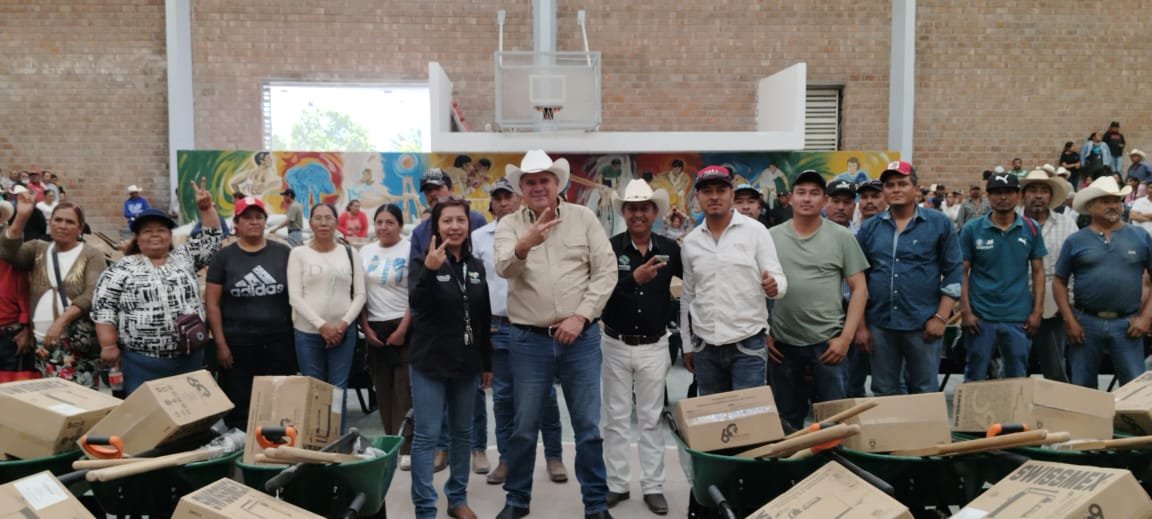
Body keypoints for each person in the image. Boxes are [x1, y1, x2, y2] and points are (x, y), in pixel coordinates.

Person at [493, 150, 617, 519]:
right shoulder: (509, 225)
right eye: (529, 182)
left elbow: (606, 271)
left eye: (543, 180)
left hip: (580, 338)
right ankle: (517, 501)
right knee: (523, 427)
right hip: (528, 340)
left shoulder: (584, 218)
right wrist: (525, 243)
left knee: (588, 428)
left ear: (557, 184)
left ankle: (596, 505)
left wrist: (581, 316)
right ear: (521, 188)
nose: (537, 187)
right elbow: (503, 268)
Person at [472, 179, 569, 485]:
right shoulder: (478, 237)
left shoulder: (541, 228)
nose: (503, 202)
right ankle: (507, 459)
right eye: (497, 198)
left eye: (508, 196)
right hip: (498, 325)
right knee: (503, 398)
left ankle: (554, 456)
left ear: (520, 199)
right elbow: (477, 287)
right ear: (491, 203)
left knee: (545, 396)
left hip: (534, 326)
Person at [91, 181, 222, 394]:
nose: (154, 234)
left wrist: (206, 208)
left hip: (189, 359)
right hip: (140, 363)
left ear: (170, 236)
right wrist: (108, 346)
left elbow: (211, 240)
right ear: (137, 238)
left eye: (161, 230)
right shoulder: (121, 268)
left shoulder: (184, 258)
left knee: (190, 408)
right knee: (146, 412)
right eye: (147, 231)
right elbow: (104, 309)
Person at [408, 197, 493, 519]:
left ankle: (457, 498)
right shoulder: (423, 262)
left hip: (466, 363)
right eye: (447, 221)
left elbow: (482, 318)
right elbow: (416, 304)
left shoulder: (476, 266)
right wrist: (430, 272)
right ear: (436, 226)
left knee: (463, 434)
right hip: (429, 362)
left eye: (460, 220)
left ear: (468, 225)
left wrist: (487, 364)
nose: (454, 226)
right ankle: (425, 508)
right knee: (427, 436)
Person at [599, 180, 679, 515]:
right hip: (615, 344)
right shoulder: (609, 248)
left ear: (654, 212)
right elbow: (600, 291)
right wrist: (634, 279)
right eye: (632, 208)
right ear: (624, 212)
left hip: (655, 345)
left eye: (644, 208)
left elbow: (689, 289)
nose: (638, 214)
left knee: (650, 418)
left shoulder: (670, 249)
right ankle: (617, 484)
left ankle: (653, 486)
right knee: (615, 418)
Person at [768, 171, 868, 430]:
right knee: (785, 422)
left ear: (824, 201)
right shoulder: (771, 237)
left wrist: (845, 339)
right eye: (801, 192)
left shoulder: (841, 237)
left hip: (828, 344)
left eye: (814, 193)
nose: (807, 199)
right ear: (790, 198)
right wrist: (764, 333)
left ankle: (832, 458)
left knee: (832, 422)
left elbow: (859, 289)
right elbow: (755, 287)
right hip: (783, 345)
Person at [856, 161, 962, 395]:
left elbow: (954, 271)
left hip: (923, 324)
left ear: (915, 188)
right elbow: (858, 278)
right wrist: (861, 326)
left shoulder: (938, 223)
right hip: (881, 324)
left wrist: (941, 317)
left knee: (924, 390)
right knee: (884, 389)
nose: (896, 189)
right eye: (890, 185)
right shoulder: (870, 228)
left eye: (902, 184)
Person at [680, 165, 787, 396]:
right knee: (713, 414)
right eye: (707, 191)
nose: (714, 196)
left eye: (721, 190)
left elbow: (778, 278)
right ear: (697, 196)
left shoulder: (756, 231)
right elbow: (687, 296)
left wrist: (774, 287)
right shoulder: (691, 242)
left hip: (747, 342)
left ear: (731, 194)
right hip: (705, 346)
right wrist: (687, 346)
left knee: (748, 414)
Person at [204, 196, 296, 429]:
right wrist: (220, 344)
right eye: (247, 218)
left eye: (259, 217)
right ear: (236, 224)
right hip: (238, 346)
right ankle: (242, 443)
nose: (254, 222)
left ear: (265, 221)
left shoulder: (283, 253)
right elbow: (212, 304)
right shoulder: (224, 258)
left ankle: (277, 445)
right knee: (241, 405)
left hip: (279, 343)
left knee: (279, 401)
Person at [1054, 176, 1152, 388]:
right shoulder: (1076, 240)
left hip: (1128, 324)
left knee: (1133, 388)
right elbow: (1059, 281)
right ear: (1090, 206)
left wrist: (1146, 317)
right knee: (1083, 389)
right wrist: (1069, 320)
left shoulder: (1140, 237)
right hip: (1085, 323)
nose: (1113, 206)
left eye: (1116, 200)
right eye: (1105, 201)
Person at [2, 196, 106, 387]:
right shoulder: (37, 249)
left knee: (79, 397)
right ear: (50, 223)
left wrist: (60, 322)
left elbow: (92, 293)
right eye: (58, 220)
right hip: (42, 345)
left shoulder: (92, 254)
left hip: (75, 344)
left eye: (70, 222)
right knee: (47, 397)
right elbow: (8, 252)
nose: (62, 226)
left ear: (80, 227)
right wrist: (21, 217)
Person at [958, 173, 1046, 381]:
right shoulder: (972, 229)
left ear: (1018, 196)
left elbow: (1038, 271)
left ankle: (1014, 407)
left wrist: (1037, 311)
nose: (1003, 197)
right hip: (980, 317)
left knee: (1016, 377)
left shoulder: (1031, 228)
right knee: (975, 376)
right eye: (997, 193)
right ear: (988, 196)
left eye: (1008, 192)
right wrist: (966, 312)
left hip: (1017, 316)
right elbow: (962, 272)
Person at [287, 203, 366, 424]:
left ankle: (337, 438)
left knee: (338, 389)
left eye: (328, 218)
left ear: (336, 222)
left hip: (344, 333)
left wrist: (342, 325)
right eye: (318, 218)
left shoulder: (350, 253)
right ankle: (316, 438)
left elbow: (360, 294)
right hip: (308, 333)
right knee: (315, 388)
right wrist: (321, 326)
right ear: (310, 223)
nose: (323, 223)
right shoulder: (298, 254)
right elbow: (295, 297)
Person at [1020, 171, 1075, 382]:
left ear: (1051, 197)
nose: (1038, 195)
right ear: (1023, 195)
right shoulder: (1011, 221)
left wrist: (1068, 302)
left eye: (1044, 191)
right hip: (1015, 300)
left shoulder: (1066, 224)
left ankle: (1057, 404)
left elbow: (1075, 266)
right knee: (1014, 365)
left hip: (1055, 303)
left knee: (1055, 366)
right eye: (1033, 190)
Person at [410, 169, 488, 259]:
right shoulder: (419, 232)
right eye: (428, 191)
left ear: (451, 189)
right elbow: (415, 267)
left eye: (437, 188)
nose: (433, 194)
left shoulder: (476, 220)